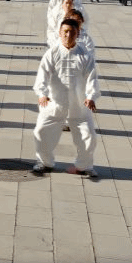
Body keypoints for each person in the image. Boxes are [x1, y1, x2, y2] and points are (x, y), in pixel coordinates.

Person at [32, 18, 100, 177]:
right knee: (41, 132)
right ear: (60, 33)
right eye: (65, 32)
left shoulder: (85, 55)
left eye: (72, 32)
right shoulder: (52, 53)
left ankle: (84, 166)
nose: (68, 35)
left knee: (89, 137)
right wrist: (42, 94)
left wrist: (91, 96)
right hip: (55, 103)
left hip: (78, 105)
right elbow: (42, 75)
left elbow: (92, 78)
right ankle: (44, 162)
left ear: (78, 34)